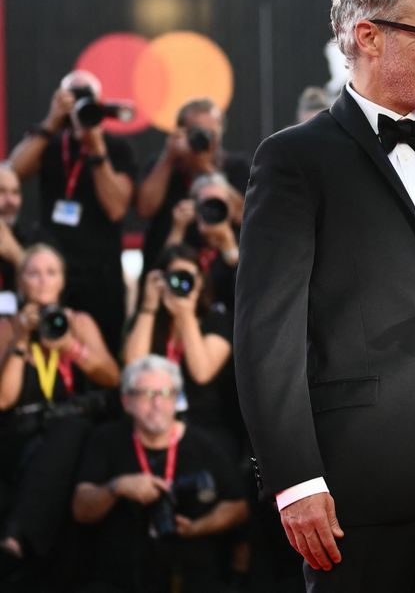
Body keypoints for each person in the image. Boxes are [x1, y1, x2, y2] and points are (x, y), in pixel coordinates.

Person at [234, 0, 415, 592]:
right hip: (355, 493)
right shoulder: (294, 159)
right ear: (367, 35)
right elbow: (266, 337)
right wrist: (296, 481)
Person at [72, 355, 248, 592]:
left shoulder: (205, 443)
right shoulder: (106, 439)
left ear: (177, 399)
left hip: (192, 575)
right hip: (119, 576)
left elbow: (239, 506)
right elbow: (81, 510)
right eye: (146, 394)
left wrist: (198, 527)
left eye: (166, 394)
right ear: (127, 401)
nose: (157, 403)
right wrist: (117, 487)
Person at [0, 243, 119, 583]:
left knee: (71, 430)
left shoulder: (78, 322)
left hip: (71, 432)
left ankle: (18, 536)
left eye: (50, 272)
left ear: (62, 281)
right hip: (20, 432)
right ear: (20, 282)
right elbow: (4, 399)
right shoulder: (8, 328)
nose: (41, 281)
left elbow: (112, 377)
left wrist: (71, 347)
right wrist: (21, 341)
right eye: (33, 273)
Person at [9, 70, 137, 354]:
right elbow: (11, 175)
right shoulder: (50, 143)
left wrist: (96, 148)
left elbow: (117, 209)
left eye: (87, 99)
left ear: (101, 103)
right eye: (73, 98)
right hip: (52, 276)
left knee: (101, 350)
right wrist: (51, 122)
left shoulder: (116, 148)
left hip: (101, 276)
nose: (80, 106)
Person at [123, 244, 235, 448]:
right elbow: (134, 367)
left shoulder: (216, 319)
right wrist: (149, 306)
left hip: (204, 424)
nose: (183, 284)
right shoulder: (149, 319)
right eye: (175, 276)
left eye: (190, 277)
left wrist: (185, 315)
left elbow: (202, 372)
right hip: (151, 423)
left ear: (200, 281)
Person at [135, 98, 248, 277]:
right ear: (181, 132)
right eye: (198, 131)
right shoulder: (160, 166)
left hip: (222, 275)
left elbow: (245, 215)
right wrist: (169, 156)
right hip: (165, 270)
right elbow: (144, 209)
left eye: (212, 131)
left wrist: (207, 169)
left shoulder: (236, 167)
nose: (205, 138)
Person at [165, 173, 240, 309]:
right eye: (206, 204)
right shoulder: (187, 238)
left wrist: (229, 245)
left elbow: (245, 289)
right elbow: (166, 271)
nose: (212, 211)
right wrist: (178, 228)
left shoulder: (242, 238)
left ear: (231, 209)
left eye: (219, 204)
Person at [0, 163, 26, 296]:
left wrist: (17, 255)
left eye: (15, 192)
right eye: (1, 191)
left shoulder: (34, 239)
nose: (10, 201)